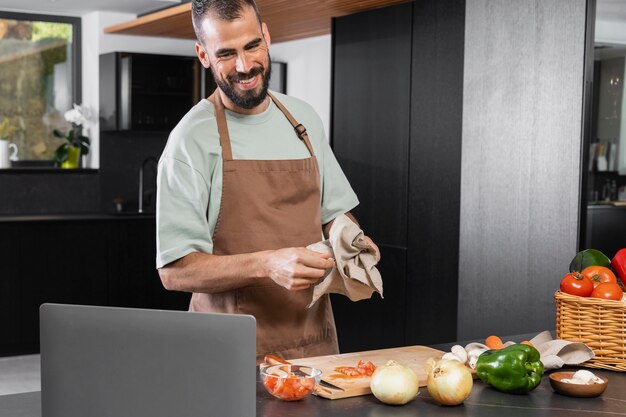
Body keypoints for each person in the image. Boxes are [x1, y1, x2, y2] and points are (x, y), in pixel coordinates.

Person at [156, 0, 380, 362]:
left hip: (313, 345)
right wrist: (267, 264)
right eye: (226, 53)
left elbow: (334, 213)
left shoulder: (303, 120)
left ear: (267, 36)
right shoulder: (191, 139)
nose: (244, 67)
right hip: (227, 352)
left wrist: (349, 238)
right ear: (203, 54)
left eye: (251, 46)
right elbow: (175, 271)